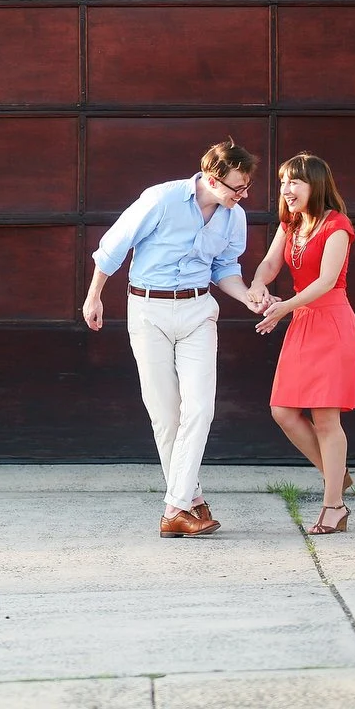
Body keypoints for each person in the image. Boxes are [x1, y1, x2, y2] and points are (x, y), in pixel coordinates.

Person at [83, 139, 265, 539]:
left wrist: (248, 294)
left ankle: (173, 510)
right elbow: (114, 246)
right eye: (238, 187)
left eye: (247, 187)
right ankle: (192, 499)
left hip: (199, 311)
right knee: (165, 415)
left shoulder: (234, 216)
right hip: (148, 310)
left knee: (199, 409)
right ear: (214, 179)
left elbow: (225, 268)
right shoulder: (161, 199)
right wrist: (94, 295)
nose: (244, 194)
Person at [248, 152, 355, 536]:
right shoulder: (291, 222)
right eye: (283, 182)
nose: (286, 189)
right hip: (302, 320)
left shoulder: (338, 226)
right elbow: (269, 263)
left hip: (331, 321)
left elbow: (326, 281)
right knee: (282, 410)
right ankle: (336, 476)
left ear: (315, 184)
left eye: (294, 182)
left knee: (326, 417)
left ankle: (334, 506)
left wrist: (283, 309)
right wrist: (258, 285)